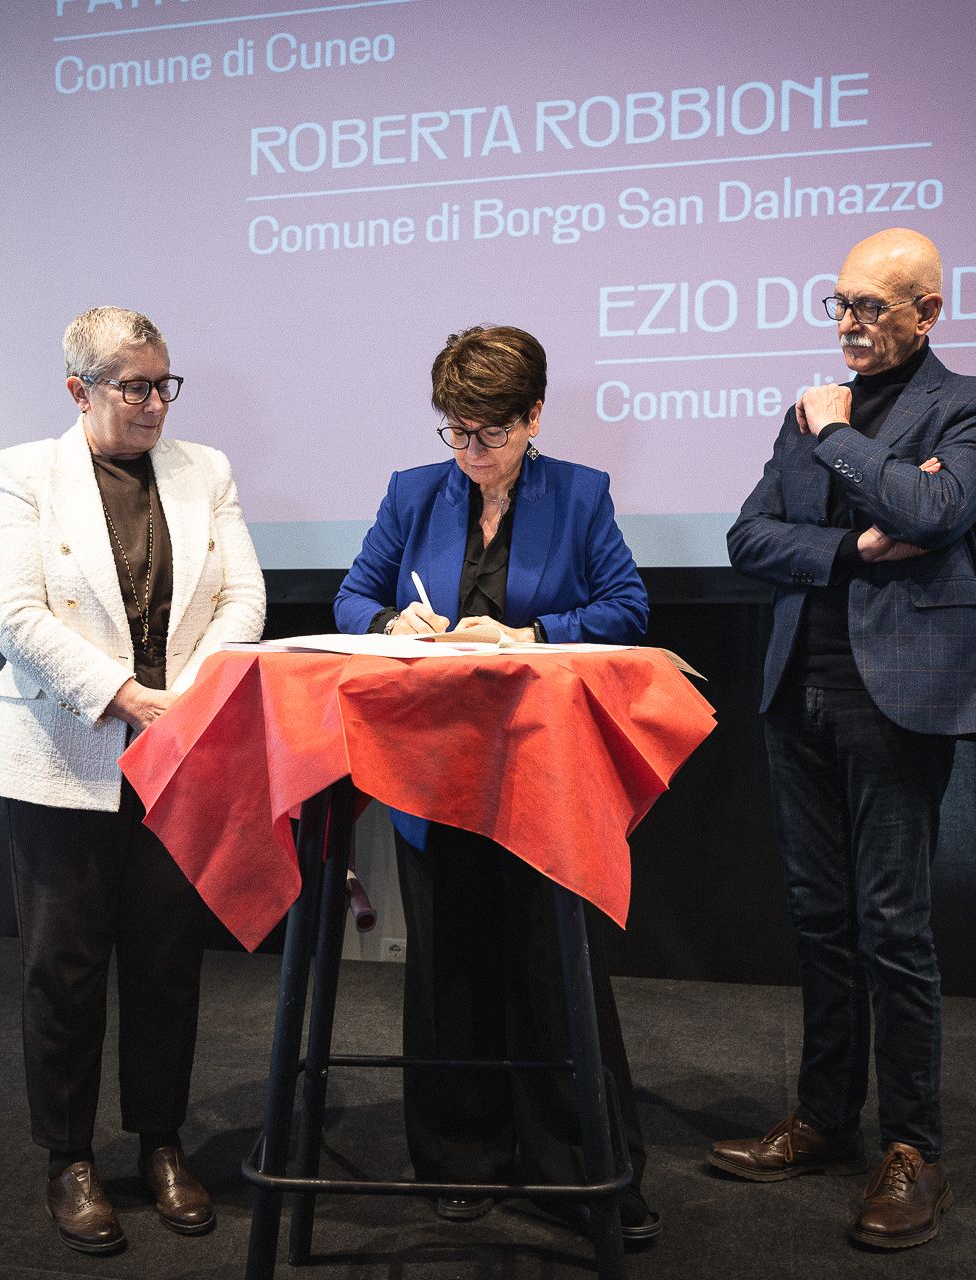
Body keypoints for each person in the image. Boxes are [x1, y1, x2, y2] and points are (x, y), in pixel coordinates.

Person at [717, 228, 976, 1248]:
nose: (848, 323)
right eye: (839, 303)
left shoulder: (973, 404)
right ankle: (824, 1119)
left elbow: (935, 509)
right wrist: (851, 544)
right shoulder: (804, 413)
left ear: (926, 313)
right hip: (797, 688)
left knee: (894, 925)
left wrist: (843, 438)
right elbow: (748, 537)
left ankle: (915, 1150)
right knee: (820, 917)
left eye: (870, 307)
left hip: (899, 699)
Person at [333, 324, 660, 1241]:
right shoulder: (412, 492)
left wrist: (530, 636)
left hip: (539, 768)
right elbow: (352, 597)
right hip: (436, 768)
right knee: (449, 962)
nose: (471, 451)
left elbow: (627, 607)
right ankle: (459, 1155)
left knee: (550, 967)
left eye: (491, 433)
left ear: (534, 417)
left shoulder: (579, 495)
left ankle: (576, 1168)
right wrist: (393, 624)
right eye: (457, 431)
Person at [0, 306, 265, 1255]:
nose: (154, 404)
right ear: (80, 389)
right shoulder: (25, 471)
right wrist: (125, 696)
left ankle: (161, 1144)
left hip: (177, 752)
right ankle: (68, 1157)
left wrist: (185, 699)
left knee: (166, 963)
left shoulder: (204, 469)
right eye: (134, 386)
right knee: (62, 970)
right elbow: (12, 612)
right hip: (66, 752)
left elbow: (244, 597)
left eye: (163, 384)